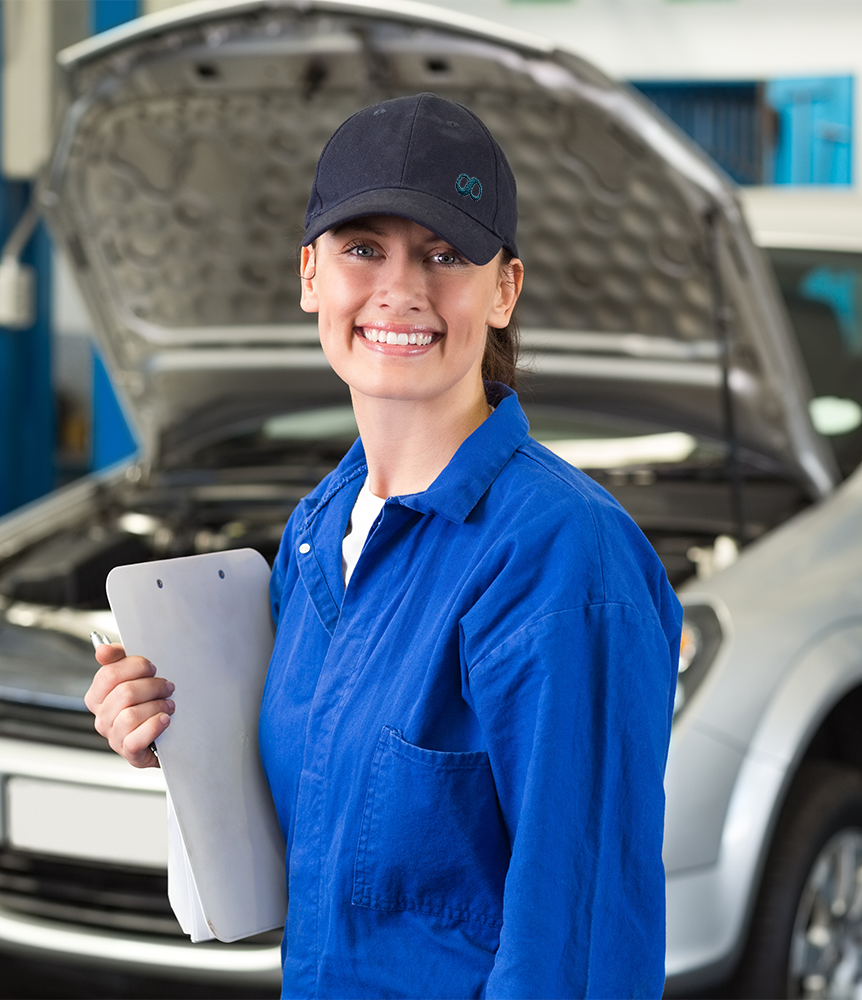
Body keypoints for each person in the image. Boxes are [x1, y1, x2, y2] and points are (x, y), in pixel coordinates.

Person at [86, 93, 681, 999]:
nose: (401, 289)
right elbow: (316, 834)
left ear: (506, 288)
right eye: (364, 248)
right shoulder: (318, 533)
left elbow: (582, 939)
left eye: (445, 255)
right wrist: (177, 740)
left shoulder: (563, 562)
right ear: (311, 276)